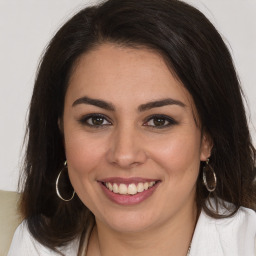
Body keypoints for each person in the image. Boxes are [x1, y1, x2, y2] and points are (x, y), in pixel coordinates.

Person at [8, 0, 256, 255]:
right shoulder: (34, 246)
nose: (124, 155)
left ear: (207, 138)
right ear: (61, 133)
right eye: (96, 120)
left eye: (159, 121)